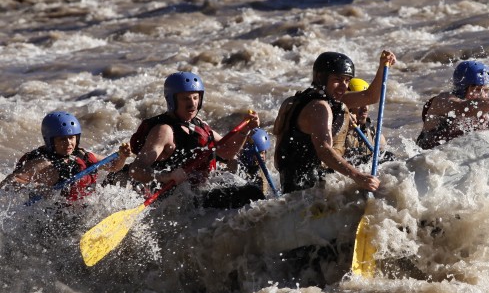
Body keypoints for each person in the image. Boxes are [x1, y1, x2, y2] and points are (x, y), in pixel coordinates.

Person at [128, 71, 263, 209]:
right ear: (172, 101)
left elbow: (227, 152)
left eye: (195, 98)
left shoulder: (198, 123)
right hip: (175, 200)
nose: (192, 104)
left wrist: (244, 130)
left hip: (198, 191)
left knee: (253, 184)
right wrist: (167, 176)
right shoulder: (164, 131)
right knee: (251, 194)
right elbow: (136, 169)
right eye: (185, 99)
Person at [273, 50, 396, 194]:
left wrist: (382, 67)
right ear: (320, 77)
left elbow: (370, 97)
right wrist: (358, 176)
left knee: (386, 158)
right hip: (304, 190)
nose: (343, 86)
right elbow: (324, 150)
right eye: (337, 79)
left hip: (307, 182)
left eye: (347, 80)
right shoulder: (319, 108)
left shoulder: (321, 99)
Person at [0, 111, 131, 202]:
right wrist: (38, 188)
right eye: (62, 139)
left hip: (83, 209)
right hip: (54, 217)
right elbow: (9, 184)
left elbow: (114, 166)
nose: (69, 143)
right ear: (51, 141)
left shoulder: (84, 155)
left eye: (71, 138)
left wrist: (123, 157)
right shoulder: (43, 163)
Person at [416, 60, 489, 150]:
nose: (482, 95)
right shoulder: (443, 101)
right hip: (429, 160)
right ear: (462, 89)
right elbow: (465, 108)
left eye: (485, 90)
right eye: (476, 89)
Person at [343, 77, 394, 166]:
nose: (365, 108)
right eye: (360, 103)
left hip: (364, 173)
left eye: (367, 103)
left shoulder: (375, 134)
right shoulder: (336, 129)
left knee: (389, 156)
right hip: (346, 171)